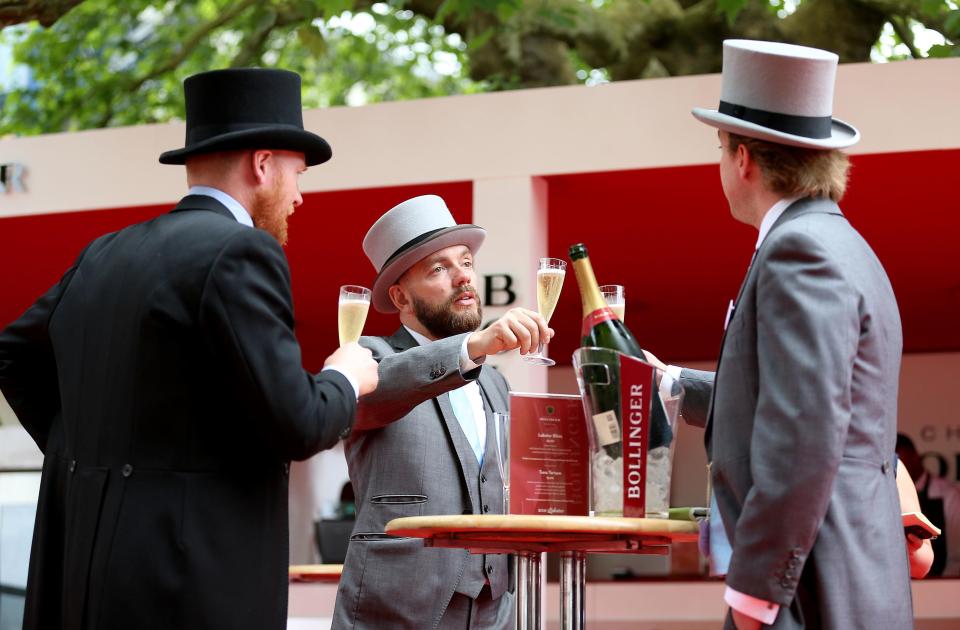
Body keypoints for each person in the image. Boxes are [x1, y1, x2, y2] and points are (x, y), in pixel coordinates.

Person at [0, 68, 379, 630]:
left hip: (85, 575)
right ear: (262, 164)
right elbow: (299, 423)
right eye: (298, 175)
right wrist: (346, 376)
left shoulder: (102, 253)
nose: (299, 196)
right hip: (191, 583)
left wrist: (85, 458)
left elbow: (12, 352)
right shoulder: (242, 251)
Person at [644, 40, 911, 629]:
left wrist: (756, 595)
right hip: (848, 572)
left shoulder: (797, 250)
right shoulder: (845, 245)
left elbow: (804, 431)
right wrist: (674, 386)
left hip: (811, 588)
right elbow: (799, 404)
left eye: (719, 149)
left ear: (743, 158)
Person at [331, 195, 551, 629]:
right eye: (438, 269)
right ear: (400, 297)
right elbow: (377, 388)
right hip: (395, 610)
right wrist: (474, 347)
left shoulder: (493, 382)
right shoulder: (370, 358)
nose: (463, 278)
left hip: (493, 612)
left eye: (466, 262)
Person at [896, 433, 960, 576]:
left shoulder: (948, 494)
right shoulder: (885, 492)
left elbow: (956, 553)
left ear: (915, 456)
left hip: (943, 581)